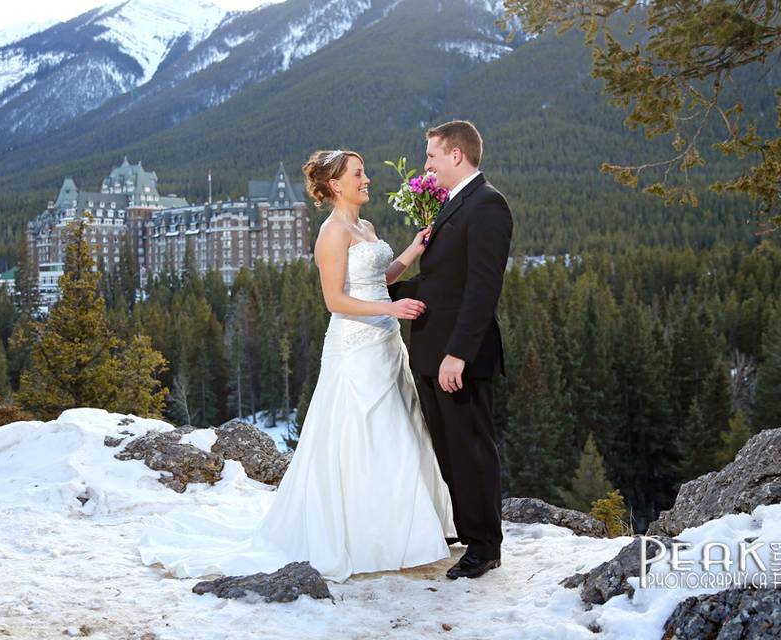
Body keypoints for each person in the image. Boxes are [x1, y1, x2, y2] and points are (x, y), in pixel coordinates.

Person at [138, 149, 456, 582]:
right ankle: (364, 537)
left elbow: (376, 281)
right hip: (356, 347)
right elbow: (335, 301)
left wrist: (413, 250)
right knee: (362, 435)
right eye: (358, 175)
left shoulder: (366, 227)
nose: (366, 180)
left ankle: (403, 533)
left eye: (364, 174)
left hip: (386, 345)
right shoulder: (331, 233)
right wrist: (393, 309)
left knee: (399, 433)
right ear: (334, 186)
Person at [388, 120, 514, 579]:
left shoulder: (487, 205)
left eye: (432, 157)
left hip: (459, 358)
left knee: (470, 448)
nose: (427, 166)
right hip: (430, 351)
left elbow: (484, 287)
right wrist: (385, 294)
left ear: (456, 155)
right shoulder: (452, 206)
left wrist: (458, 353)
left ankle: (485, 546)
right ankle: (468, 531)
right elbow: (443, 282)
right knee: (447, 446)